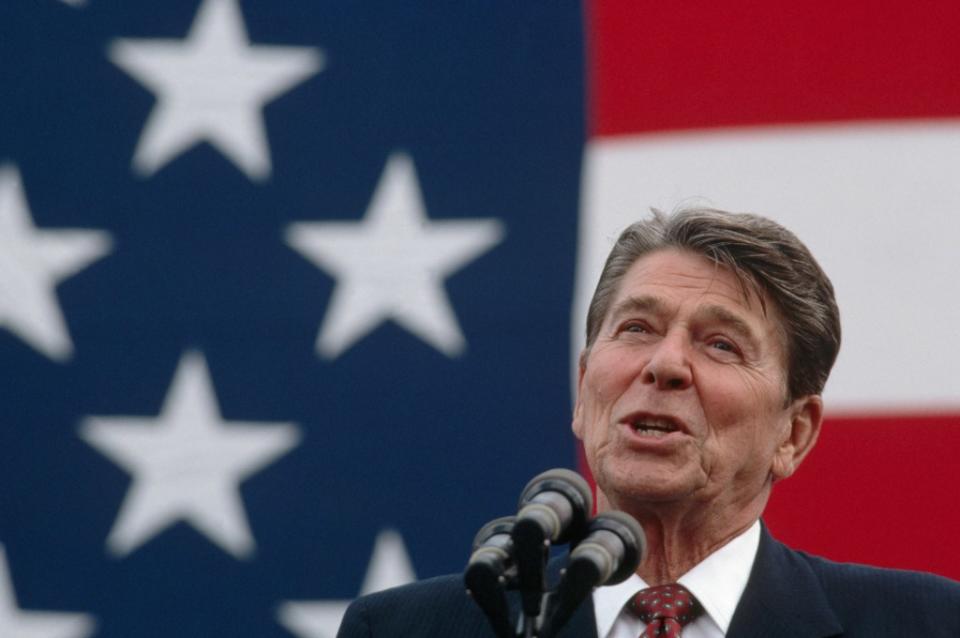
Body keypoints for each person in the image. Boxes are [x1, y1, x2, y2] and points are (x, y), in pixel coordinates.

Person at [337, 207, 960, 637]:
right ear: (584, 390)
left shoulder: (928, 624)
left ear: (792, 434)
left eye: (720, 345)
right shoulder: (406, 631)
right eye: (637, 328)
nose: (665, 365)